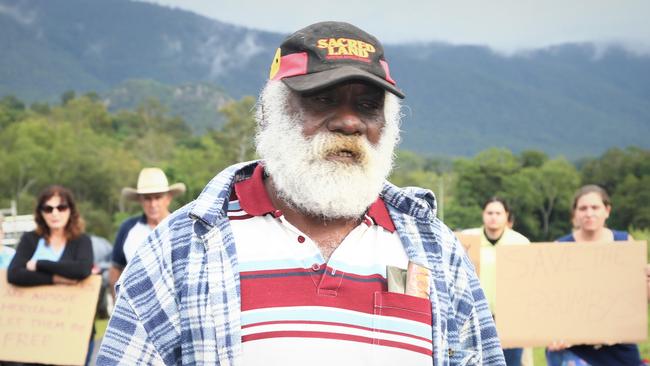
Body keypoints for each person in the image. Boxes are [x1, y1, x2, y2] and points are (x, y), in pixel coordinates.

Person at [97, 21, 505, 365]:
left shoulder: (435, 249)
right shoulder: (181, 248)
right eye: (321, 99)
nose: (349, 123)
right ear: (268, 114)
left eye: (367, 105)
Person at [546, 184, 644, 366]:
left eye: (595, 207)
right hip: (572, 347)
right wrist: (552, 333)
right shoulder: (559, 247)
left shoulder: (625, 243)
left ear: (607, 210)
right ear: (575, 214)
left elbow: (637, 297)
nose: (589, 213)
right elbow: (551, 299)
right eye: (583, 208)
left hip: (619, 344)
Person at [7, 185, 95, 364]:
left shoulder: (81, 241)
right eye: (48, 208)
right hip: (38, 330)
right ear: (41, 213)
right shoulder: (30, 239)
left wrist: (40, 264)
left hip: (75, 328)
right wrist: (55, 278)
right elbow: (14, 274)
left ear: (70, 210)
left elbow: (82, 270)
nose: (55, 213)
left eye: (61, 207)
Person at [462, 197, 531, 366]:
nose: (494, 217)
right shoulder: (467, 239)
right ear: (483, 215)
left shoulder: (521, 242)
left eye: (498, 213)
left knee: (511, 361)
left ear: (506, 216)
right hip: (476, 316)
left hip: (511, 317)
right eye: (490, 212)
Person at [108, 167, 185, 297]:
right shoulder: (127, 228)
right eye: (147, 198)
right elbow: (116, 268)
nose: (153, 204)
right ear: (140, 200)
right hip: (137, 300)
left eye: (158, 197)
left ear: (168, 198)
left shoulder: (181, 227)